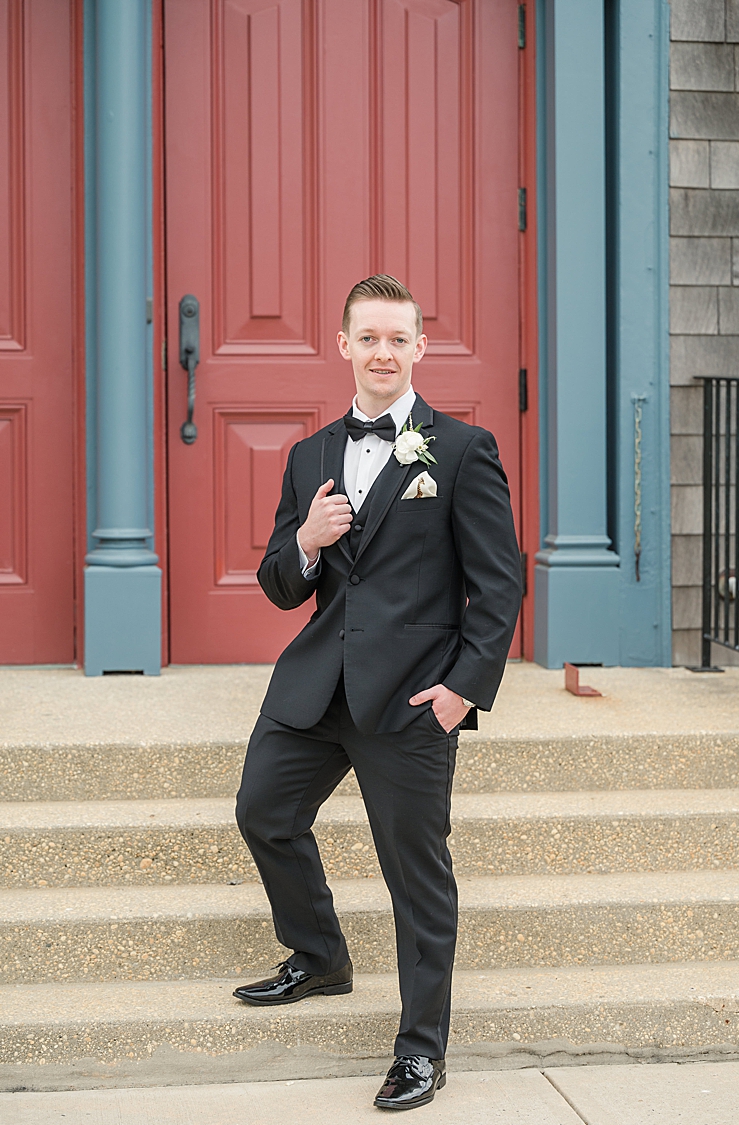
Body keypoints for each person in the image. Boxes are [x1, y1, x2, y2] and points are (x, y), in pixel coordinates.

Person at [232, 274, 523, 1111]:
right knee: (264, 811)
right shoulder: (310, 455)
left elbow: (499, 586)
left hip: (411, 697)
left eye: (399, 339)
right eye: (369, 338)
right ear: (344, 345)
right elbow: (280, 584)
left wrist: (464, 690)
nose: (383, 352)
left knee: (416, 877)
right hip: (318, 686)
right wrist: (309, 545)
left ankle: (421, 1049)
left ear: (420, 348)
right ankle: (320, 954)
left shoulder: (462, 451)